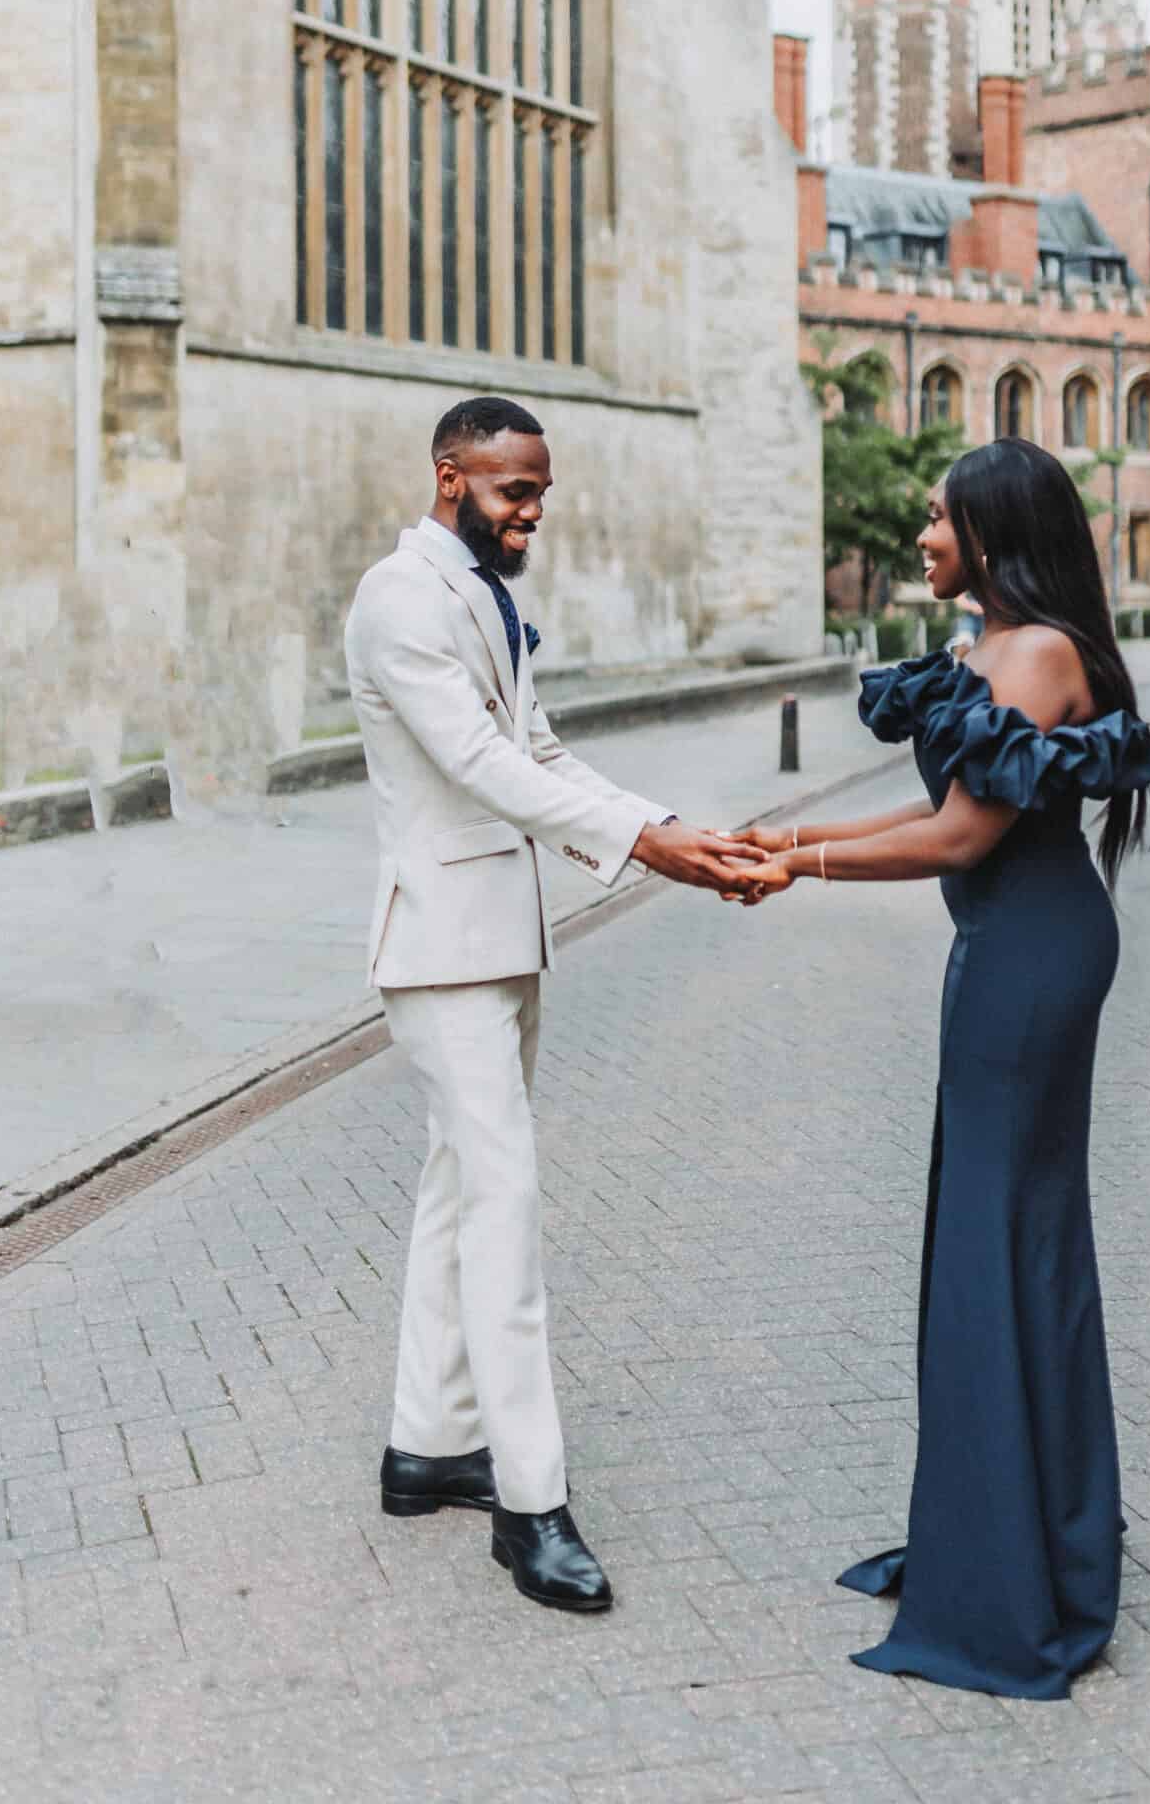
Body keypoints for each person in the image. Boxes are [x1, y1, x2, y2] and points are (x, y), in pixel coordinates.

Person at [740, 438, 1150, 1699]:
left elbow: (962, 832)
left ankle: (1017, 1576)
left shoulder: (1035, 652)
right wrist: (789, 835)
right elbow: (932, 812)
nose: (921, 534)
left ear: (991, 530)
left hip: (1029, 958)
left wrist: (793, 866)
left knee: (1005, 1238)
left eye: (936, 516)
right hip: (1007, 950)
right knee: (995, 1232)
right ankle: (1024, 1532)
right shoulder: (995, 650)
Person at [344, 396, 764, 1616]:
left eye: (539, 490)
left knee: (456, 1189)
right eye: (513, 489)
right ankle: (532, 1501)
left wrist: (671, 829)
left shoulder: (482, 591)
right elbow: (479, 769)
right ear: (448, 476)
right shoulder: (401, 598)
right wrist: (647, 842)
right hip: (438, 953)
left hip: (495, 942)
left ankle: (426, 1444)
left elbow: (541, 749)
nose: (532, 511)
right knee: (507, 1210)